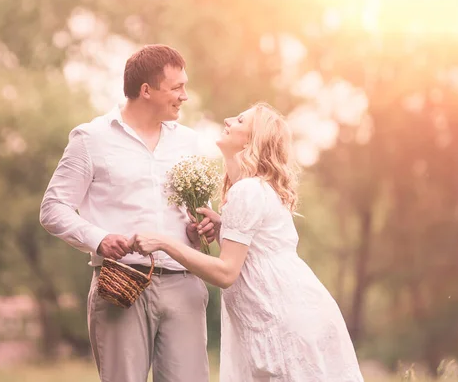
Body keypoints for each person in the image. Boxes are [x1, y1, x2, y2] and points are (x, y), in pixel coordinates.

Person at [132, 102, 365, 381]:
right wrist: (223, 230)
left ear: (253, 140)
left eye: (240, 121)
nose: (228, 119)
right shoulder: (255, 188)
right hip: (292, 313)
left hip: (283, 322)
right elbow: (259, 252)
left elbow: (226, 273)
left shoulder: (248, 191)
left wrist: (164, 243)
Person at [39, 44, 216, 382]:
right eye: (177, 87)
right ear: (146, 90)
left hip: (185, 286)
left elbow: (191, 213)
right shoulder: (91, 138)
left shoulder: (189, 142)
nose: (185, 96)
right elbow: (53, 208)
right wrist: (99, 239)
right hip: (123, 286)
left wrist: (200, 227)